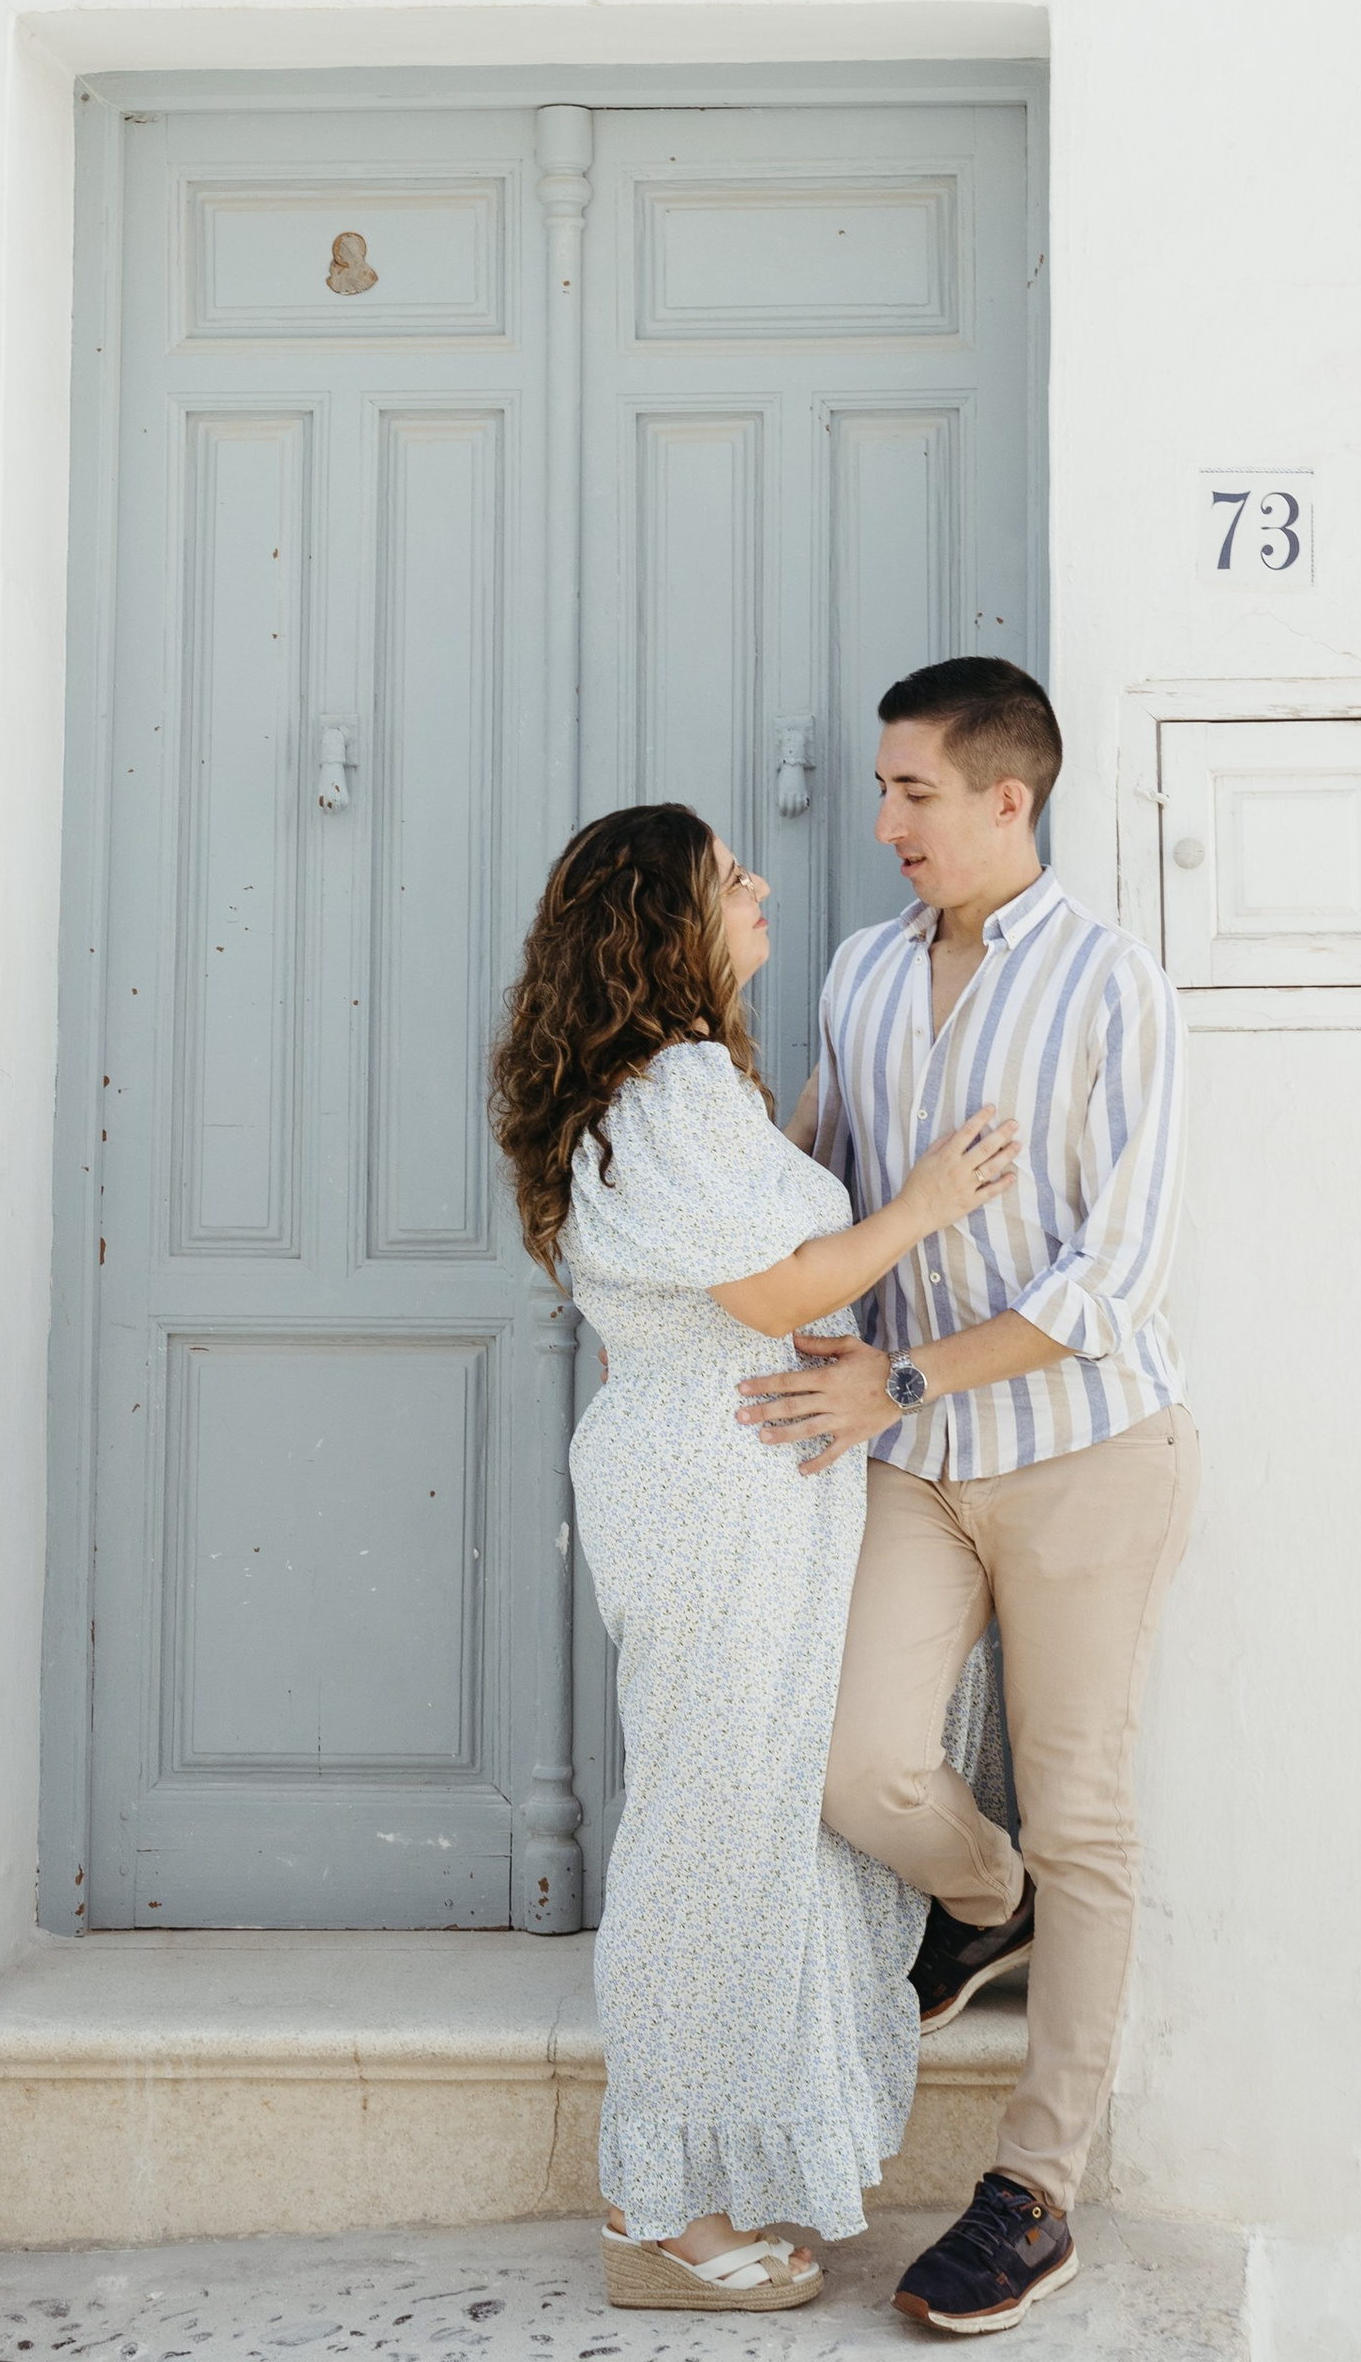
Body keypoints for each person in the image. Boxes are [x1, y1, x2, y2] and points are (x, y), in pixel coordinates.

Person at [486, 801, 1019, 2315]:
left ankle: (699, 2181)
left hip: (739, 1480)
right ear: (669, 919)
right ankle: (653, 2210)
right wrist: (925, 1204)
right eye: (731, 876)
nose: (761, 886)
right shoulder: (672, 1090)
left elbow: (745, 1288)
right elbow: (768, 1276)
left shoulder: (670, 1091)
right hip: (716, 1498)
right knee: (703, 1842)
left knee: (746, 1824)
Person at [738, 656, 1197, 2336]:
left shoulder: (1113, 986)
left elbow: (1114, 1284)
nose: (885, 824)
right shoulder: (860, 972)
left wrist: (903, 1378)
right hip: (917, 1469)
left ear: (1013, 798)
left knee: (1088, 1820)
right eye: (882, 790)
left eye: (914, 792)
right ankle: (977, 1900)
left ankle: (1035, 2189)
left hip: (1083, 1454)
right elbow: (828, 1191)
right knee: (858, 1770)